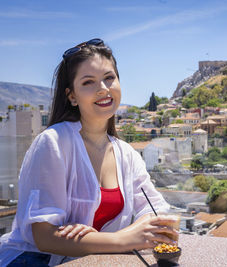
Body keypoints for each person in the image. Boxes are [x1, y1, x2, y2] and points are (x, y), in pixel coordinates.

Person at [0, 38, 178, 266]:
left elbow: (156, 210)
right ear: (71, 96)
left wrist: (124, 235)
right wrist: (122, 239)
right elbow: (44, 237)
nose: (103, 89)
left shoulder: (126, 153)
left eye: (109, 78)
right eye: (88, 82)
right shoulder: (53, 142)